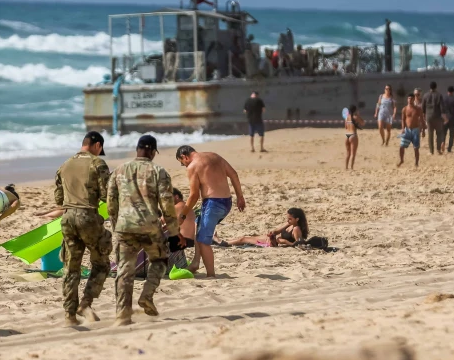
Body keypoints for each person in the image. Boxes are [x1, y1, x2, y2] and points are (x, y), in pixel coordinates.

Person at [107, 135, 175, 326]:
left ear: (137, 150)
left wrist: (115, 225)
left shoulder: (119, 170)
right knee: (160, 260)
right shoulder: (158, 171)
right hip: (150, 227)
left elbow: (111, 203)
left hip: (124, 227)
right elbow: (167, 204)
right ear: (153, 152)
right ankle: (147, 294)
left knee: (124, 270)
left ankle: (122, 314)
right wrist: (174, 230)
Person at [54, 131, 112, 327]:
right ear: (97, 146)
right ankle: (86, 304)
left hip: (68, 218)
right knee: (102, 263)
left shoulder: (65, 165)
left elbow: (58, 199)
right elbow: (107, 195)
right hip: (88, 217)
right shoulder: (97, 164)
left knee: (71, 268)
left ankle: (69, 314)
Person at [175, 145, 246, 277]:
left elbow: (194, 195)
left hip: (213, 204)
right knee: (198, 222)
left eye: (182, 163)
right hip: (227, 202)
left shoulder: (192, 166)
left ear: (184, 157)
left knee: (203, 241)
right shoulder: (215, 156)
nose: (184, 166)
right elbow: (233, 174)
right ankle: (196, 261)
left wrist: (183, 215)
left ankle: (211, 275)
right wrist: (240, 197)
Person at [227, 208, 308, 248]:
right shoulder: (289, 224)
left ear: (297, 219)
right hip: (272, 239)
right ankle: (225, 242)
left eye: (290, 219)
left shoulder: (296, 229)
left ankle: (225, 243)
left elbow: (298, 244)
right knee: (247, 237)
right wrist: (272, 234)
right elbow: (276, 231)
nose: (288, 220)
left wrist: (285, 241)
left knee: (243, 239)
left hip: (271, 244)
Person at [398, 95, 425, 168]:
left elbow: (422, 119)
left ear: (413, 99)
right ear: (407, 99)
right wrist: (403, 128)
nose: (410, 100)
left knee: (416, 148)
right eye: (408, 98)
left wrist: (423, 130)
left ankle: (416, 163)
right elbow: (403, 119)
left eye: (411, 98)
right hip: (407, 130)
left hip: (416, 130)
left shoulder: (418, 109)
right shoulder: (405, 109)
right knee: (401, 146)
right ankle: (401, 160)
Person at [421, 81, 445, 155]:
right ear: (436, 86)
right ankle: (438, 149)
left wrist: (424, 116)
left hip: (429, 117)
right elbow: (442, 107)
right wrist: (443, 116)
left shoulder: (425, 95)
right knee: (439, 133)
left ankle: (431, 151)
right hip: (437, 116)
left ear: (430, 87)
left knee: (430, 134)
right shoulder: (439, 95)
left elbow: (423, 107)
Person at [440, 86, 454, 154]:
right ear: (453, 91)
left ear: (447, 91)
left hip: (444, 118)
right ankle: (449, 149)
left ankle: (443, 142)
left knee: (444, 133)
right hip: (452, 118)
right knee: (451, 134)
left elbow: (441, 108)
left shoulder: (443, 98)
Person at [344, 105, 365, 170]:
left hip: (346, 135)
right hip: (353, 135)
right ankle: (352, 167)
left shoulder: (347, 117)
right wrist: (358, 115)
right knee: (353, 153)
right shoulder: (355, 117)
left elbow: (346, 127)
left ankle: (346, 167)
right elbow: (363, 123)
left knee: (348, 153)